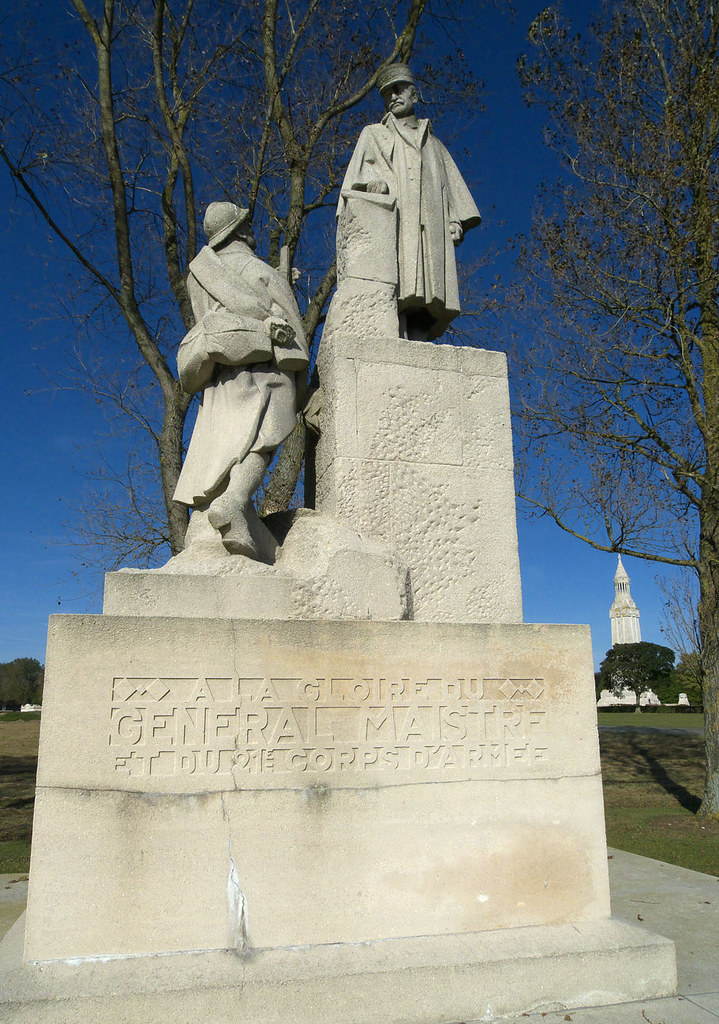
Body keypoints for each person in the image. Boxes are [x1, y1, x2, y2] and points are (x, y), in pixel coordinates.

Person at [173, 202, 309, 560]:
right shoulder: (259, 271)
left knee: (228, 443)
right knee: (262, 441)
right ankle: (234, 501)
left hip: (221, 378)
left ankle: (221, 512)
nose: (252, 228)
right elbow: (293, 333)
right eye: (246, 223)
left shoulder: (198, 276)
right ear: (238, 230)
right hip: (265, 372)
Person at [339, 63, 481, 340]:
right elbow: (356, 181)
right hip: (398, 224)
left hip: (431, 227)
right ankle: (395, 335)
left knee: (429, 292)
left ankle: (418, 338)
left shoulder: (434, 144)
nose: (393, 97)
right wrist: (372, 184)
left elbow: (448, 186)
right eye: (387, 94)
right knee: (399, 286)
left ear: (414, 95)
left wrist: (454, 219)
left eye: (398, 90)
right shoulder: (375, 134)